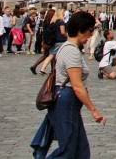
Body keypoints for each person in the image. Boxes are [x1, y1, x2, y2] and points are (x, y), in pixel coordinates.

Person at [30, 11, 106, 157]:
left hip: (67, 101)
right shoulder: (71, 51)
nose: (91, 34)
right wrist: (93, 110)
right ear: (80, 30)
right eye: (90, 30)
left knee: (81, 151)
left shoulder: (68, 48)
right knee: (68, 151)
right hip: (66, 100)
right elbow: (77, 86)